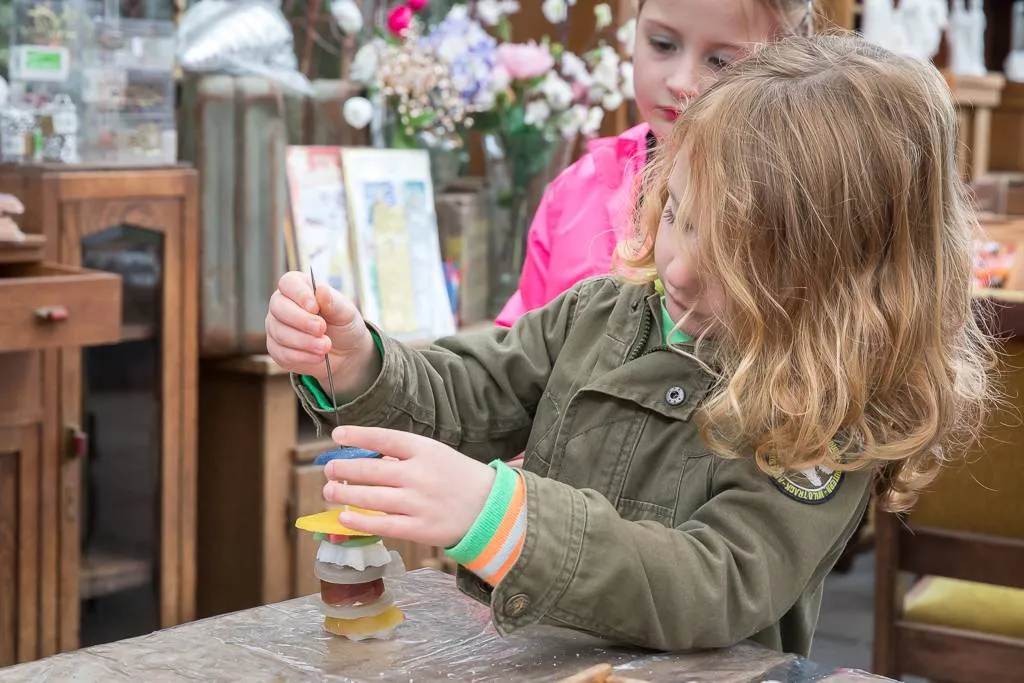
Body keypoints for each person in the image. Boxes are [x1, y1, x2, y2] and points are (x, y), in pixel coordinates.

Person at [265, 35, 996, 656]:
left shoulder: (826, 415)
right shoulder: (602, 314)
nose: (676, 265)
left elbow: (714, 583)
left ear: (834, 272)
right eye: (677, 212)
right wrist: (358, 359)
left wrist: (502, 518)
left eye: (735, 253)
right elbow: (465, 392)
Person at [495, 0, 820, 327]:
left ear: (789, 61)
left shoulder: (793, 210)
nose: (681, 81)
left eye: (721, 62)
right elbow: (517, 350)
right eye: (663, 44)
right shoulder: (576, 191)